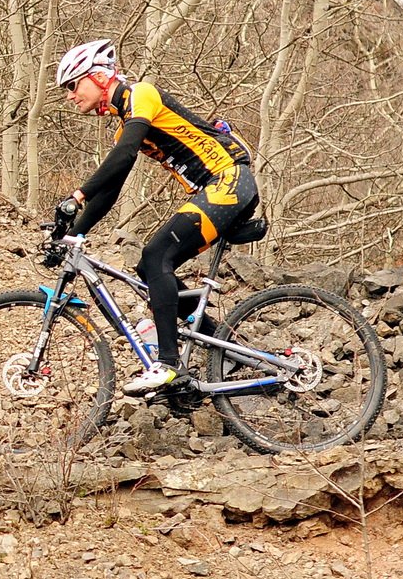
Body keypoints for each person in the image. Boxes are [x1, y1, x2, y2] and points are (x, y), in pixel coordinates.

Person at [52, 39, 258, 396]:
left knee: (155, 256)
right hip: (216, 189)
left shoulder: (142, 95)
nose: (70, 96)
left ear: (99, 77)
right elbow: (112, 187)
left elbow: (124, 153)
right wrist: (74, 234)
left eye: (73, 85)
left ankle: (168, 365)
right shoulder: (126, 123)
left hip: (228, 180)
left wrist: (77, 194)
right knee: (149, 269)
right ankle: (222, 347)